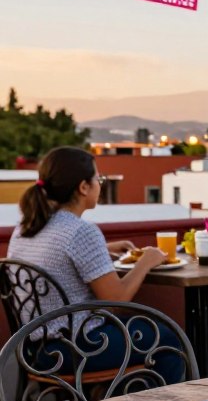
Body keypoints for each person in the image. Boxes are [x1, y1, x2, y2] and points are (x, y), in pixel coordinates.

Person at [7, 146, 184, 383]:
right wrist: (146, 261)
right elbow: (117, 300)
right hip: (78, 349)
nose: (100, 184)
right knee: (170, 341)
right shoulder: (81, 232)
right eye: (98, 178)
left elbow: (57, 254)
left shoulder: (25, 227)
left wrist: (105, 248)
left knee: (145, 328)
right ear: (83, 187)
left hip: (34, 350)